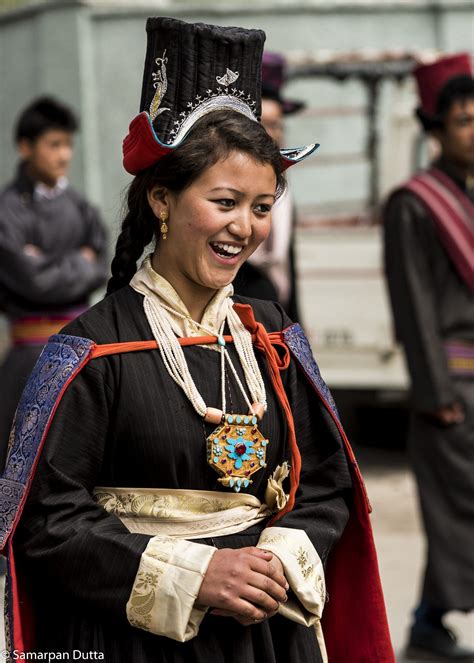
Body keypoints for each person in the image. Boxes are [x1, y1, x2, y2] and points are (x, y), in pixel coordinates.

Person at [0, 18, 394, 663]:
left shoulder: (273, 336)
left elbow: (329, 485)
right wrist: (195, 575)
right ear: (162, 199)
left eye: (262, 207)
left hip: (267, 631)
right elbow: (47, 522)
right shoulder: (93, 351)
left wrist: (275, 556)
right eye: (225, 201)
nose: (244, 227)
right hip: (137, 642)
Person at [383, 54, 474, 661]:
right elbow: (413, 307)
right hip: (454, 385)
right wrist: (435, 393)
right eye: (465, 119)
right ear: (435, 129)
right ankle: (425, 620)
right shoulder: (414, 203)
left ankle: (425, 619)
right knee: (459, 511)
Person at [0, 96, 108, 471]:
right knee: (20, 461)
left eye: (68, 144)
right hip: (28, 354)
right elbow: (29, 279)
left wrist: (44, 261)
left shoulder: (81, 206)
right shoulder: (7, 208)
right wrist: (78, 261)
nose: (64, 155)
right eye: (54, 144)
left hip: (80, 350)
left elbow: (101, 267)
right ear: (25, 147)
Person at [233, 52, 305, 321]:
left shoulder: (284, 191)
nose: (271, 135)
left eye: (277, 125)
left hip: (279, 313)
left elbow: (288, 263)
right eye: (263, 125)